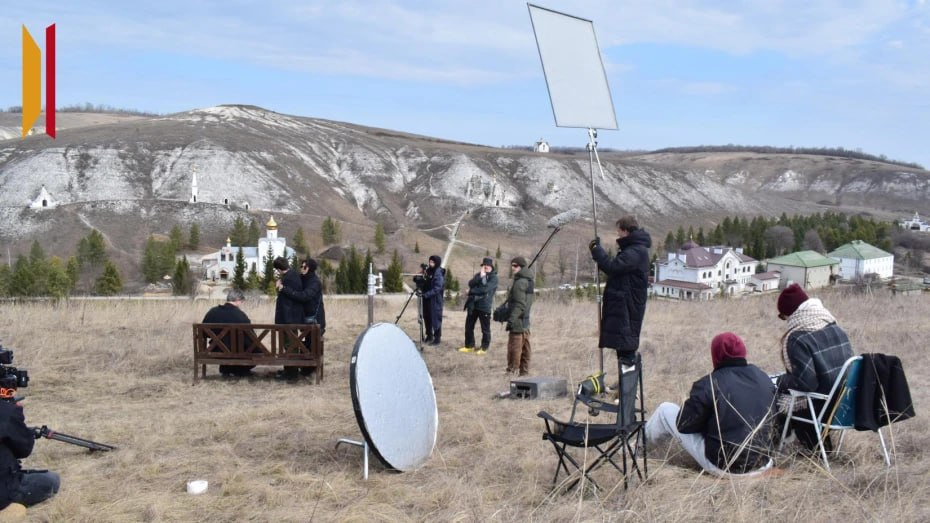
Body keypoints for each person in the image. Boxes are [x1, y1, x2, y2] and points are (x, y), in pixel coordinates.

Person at [645, 332, 776, 476]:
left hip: (724, 466)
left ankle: (638, 450)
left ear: (716, 356)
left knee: (665, 410)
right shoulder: (763, 377)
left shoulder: (709, 384)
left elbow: (683, 425)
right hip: (763, 464)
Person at [774, 283, 853, 450]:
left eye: (783, 316)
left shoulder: (797, 338)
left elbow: (806, 384)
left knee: (775, 399)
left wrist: (779, 381)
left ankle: (774, 450)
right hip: (849, 404)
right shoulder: (834, 326)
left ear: (790, 313)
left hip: (822, 408)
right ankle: (820, 447)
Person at [589, 215, 652, 424]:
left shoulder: (635, 251)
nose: (617, 235)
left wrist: (597, 252)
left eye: (619, 231)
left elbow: (613, 268)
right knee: (623, 349)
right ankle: (623, 390)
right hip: (625, 307)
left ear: (625, 230)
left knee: (626, 351)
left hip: (627, 309)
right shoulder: (634, 249)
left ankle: (628, 394)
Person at [0, 399, 60, 511]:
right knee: (52, 479)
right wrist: (17, 416)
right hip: (4, 490)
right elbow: (24, 450)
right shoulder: (5, 411)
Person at [277, 258, 326, 377]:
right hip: (305, 318)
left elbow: (304, 296)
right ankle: (302, 369)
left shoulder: (314, 282)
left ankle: (307, 370)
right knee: (306, 344)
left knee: (311, 345)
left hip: (314, 319)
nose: (301, 269)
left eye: (303, 267)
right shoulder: (302, 278)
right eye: (301, 266)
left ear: (309, 269)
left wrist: (284, 288)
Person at [202, 288, 255, 377]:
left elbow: (204, 333)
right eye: (241, 301)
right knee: (250, 347)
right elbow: (251, 336)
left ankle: (227, 369)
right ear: (238, 300)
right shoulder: (240, 315)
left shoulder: (213, 312)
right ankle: (239, 370)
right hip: (238, 352)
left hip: (216, 350)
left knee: (228, 344)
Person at [272, 256, 305, 381]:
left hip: (289, 319)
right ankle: (289, 370)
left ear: (279, 269)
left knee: (290, 345)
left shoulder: (292, 277)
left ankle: (292, 373)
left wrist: (282, 288)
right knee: (287, 345)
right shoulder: (291, 276)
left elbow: (297, 296)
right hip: (287, 318)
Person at [459, 257, 498, 355]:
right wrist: (480, 277)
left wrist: (471, 291)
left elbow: (485, 289)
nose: (486, 267)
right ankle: (469, 346)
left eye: (488, 266)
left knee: (485, 329)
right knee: (468, 327)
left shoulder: (494, 278)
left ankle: (484, 348)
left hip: (484, 306)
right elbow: (470, 283)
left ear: (491, 267)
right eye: (484, 265)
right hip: (473, 305)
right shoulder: (478, 275)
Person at [504, 256, 535, 376]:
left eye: (515, 266)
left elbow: (520, 305)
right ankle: (524, 373)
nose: (512, 268)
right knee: (526, 349)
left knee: (514, 349)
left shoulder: (520, 283)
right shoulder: (529, 281)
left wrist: (511, 320)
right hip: (526, 322)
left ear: (521, 267)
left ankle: (511, 373)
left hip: (518, 322)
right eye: (512, 265)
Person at [419, 255, 445, 346]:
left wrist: (426, 294)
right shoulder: (428, 271)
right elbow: (419, 280)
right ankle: (429, 335)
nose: (430, 264)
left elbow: (437, 288)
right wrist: (421, 273)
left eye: (432, 262)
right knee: (427, 317)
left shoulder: (439, 273)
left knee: (436, 318)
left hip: (435, 299)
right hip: (426, 299)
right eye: (430, 262)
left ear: (437, 263)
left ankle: (437, 338)